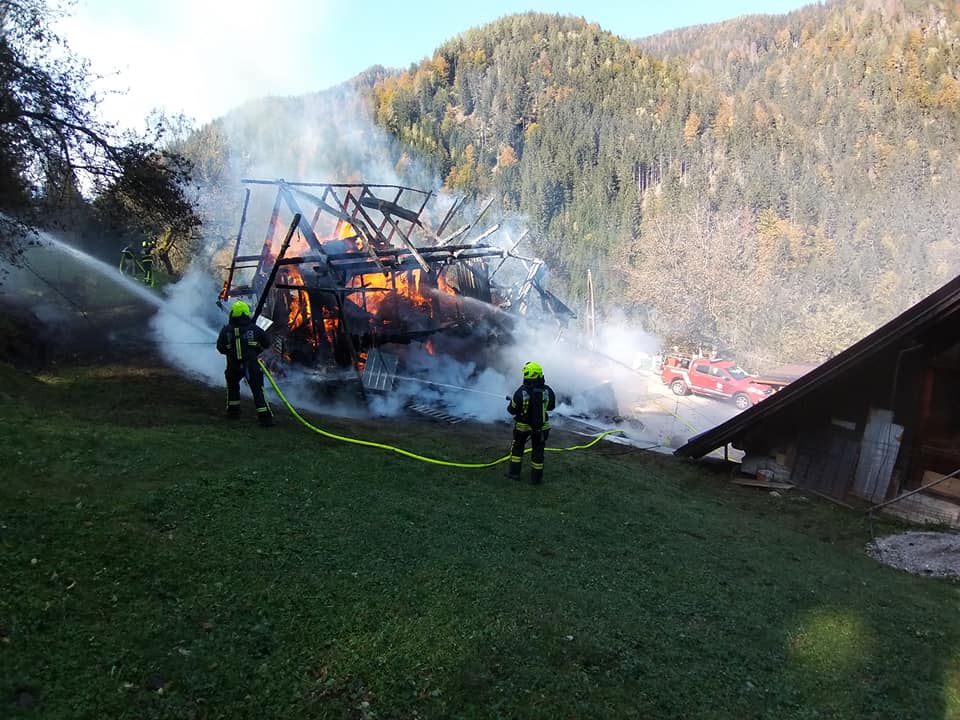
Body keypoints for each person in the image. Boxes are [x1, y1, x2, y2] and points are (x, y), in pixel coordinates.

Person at [216, 300, 275, 427]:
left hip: (233, 366)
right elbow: (267, 342)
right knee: (257, 390)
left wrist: (230, 350)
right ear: (246, 314)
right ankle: (265, 419)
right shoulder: (254, 329)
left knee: (233, 387)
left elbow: (220, 348)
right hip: (251, 366)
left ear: (233, 314)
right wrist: (256, 349)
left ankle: (233, 413)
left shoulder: (226, 330)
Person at [506, 361, 556, 484]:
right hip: (542, 428)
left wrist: (514, 402)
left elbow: (511, 410)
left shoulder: (521, 391)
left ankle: (514, 474)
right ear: (539, 375)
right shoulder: (548, 391)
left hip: (522, 428)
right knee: (538, 452)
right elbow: (551, 407)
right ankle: (536, 479)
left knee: (517, 450)